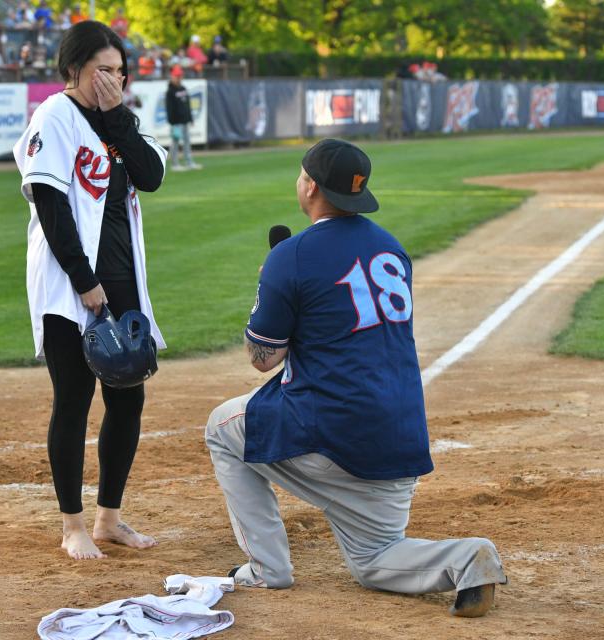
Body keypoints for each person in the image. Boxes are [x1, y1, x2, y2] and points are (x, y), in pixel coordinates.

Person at [204, 139, 507, 617]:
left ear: (310, 187)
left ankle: (267, 568)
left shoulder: (293, 255)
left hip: (331, 434)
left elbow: (264, 359)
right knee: (374, 560)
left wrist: (266, 292)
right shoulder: (391, 246)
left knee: (221, 428)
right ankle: (467, 558)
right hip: (400, 443)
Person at [12, 20, 168, 561]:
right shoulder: (54, 117)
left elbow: (151, 175)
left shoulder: (121, 123)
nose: (112, 80)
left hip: (124, 281)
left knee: (129, 394)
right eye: (102, 69)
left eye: (120, 71)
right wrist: (86, 284)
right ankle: (73, 526)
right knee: (74, 399)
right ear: (74, 68)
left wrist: (117, 117)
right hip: (70, 285)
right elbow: (51, 207)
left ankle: (109, 519)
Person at [164, 64, 200, 171]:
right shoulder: (170, 91)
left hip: (185, 121)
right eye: (177, 76)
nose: (179, 78)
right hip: (176, 122)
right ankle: (175, 164)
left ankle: (189, 162)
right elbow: (169, 108)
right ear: (172, 76)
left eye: (180, 76)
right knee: (175, 142)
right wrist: (172, 122)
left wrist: (191, 119)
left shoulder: (184, 88)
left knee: (187, 142)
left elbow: (188, 105)